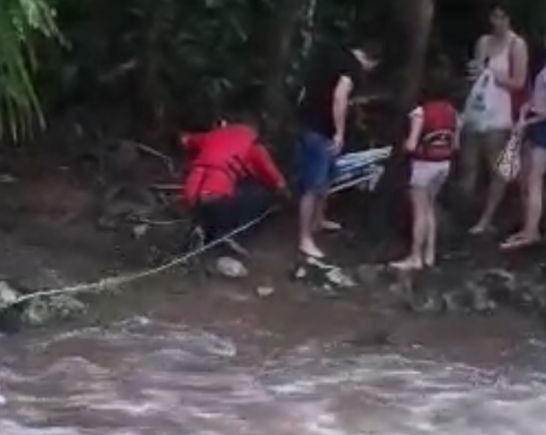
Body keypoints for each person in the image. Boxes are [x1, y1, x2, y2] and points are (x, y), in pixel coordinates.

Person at [295, 38, 382, 260]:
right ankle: (305, 238)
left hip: (308, 122)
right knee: (314, 184)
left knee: (327, 178)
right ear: (371, 62)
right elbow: (339, 97)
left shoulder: (333, 54)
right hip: (320, 130)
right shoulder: (352, 68)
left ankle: (318, 219)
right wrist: (340, 132)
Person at [500, 29, 546, 250]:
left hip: (543, 126)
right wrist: (528, 108)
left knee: (534, 181)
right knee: (528, 179)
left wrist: (528, 121)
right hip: (540, 123)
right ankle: (528, 227)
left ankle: (531, 232)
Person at [462, 3, 529, 234]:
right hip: (477, 109)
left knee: (497, 166)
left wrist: (495, 76)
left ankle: (488, 217)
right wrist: (476, 73)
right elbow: (476, 72)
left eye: (502, 16)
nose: (496, 21)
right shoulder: (483, 42)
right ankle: (464, 211)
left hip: (500, 113)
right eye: (494, 16)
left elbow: (518, 82)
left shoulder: (516, 45)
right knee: (468, 163)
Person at [180, 119, 289, 252]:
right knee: (222, 205)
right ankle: (221, 237)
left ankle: (196, 232)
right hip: (219, 180)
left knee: (195, 206)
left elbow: (186, 140)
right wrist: (283, 190)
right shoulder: (253, 145)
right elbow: (271, 173)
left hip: (195, 176)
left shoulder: (214, 135)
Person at [392, 67, 460, 271]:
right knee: (430, 208)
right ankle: (429, 254)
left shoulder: (420, 113)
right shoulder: (453, 112)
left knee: (419, 211)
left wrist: (402, 146)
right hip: (443, 165)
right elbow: (456, 145)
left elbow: (412, 145)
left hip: (423, 165)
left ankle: (415, 257)